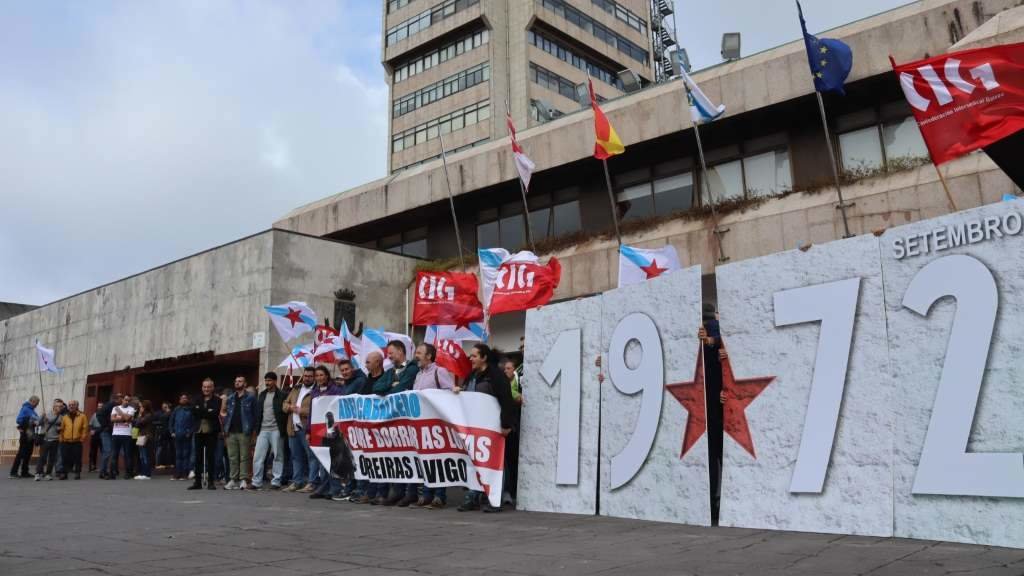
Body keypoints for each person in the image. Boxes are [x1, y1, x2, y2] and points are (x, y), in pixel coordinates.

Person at [456, 344, 517, 513]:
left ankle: (494, 499)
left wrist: (506, 425)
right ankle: (473, 497)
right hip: (475, 428)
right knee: (474, 462)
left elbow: (506, 401)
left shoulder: (496, 376)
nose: (471, 358)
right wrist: (458, 392)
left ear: (484, 358)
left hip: (493, 427)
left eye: (474, 356)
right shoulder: (471, 376)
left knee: (496, 464)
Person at [402, 342, 456, 508]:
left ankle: (439, 496)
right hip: (420, 425)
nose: (416, 355)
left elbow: (449, 393)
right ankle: (426, 495)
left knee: (437, 460)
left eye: (419, 352)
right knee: (423, 460)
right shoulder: (418, 375)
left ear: (429, 356)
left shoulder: (439, 372)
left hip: (436, 424)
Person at [699, 303, 726, 524]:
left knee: (714, 454)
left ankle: (715, 501)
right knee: (716, 454)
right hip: (712, 403)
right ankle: (715, 501)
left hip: (711, 405)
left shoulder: (713, 331)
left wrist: (712, 341)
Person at [354, 351, 390, 504]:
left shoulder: (386, 379)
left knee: (381, 462)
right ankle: (368, 492)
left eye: (368, 362)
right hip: (367, 431)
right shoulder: (365, 382)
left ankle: (382, 493)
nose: (366, 365)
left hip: (381, 429)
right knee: (369, 462)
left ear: (378, 363)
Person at [309, 365, 343, 500]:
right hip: (319, 429)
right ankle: (324, 486)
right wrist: (308, 431)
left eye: (321, 375)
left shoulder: (336, 390)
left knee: (333, 460)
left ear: (327, 376)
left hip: (333, 429)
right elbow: (312, 412)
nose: (319, 378)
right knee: (323, 459)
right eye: (317, 376)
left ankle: (335, 488)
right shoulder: (315, 392)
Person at [250, 371, 287, 491]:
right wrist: (256, 430)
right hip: (263, 429)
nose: (267, 382)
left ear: (275, 381)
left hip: (277, 429)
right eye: (266, 380)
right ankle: (256, 482)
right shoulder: (261, 395)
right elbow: (258, 414)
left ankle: (276, 481)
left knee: (278, 456)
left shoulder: (282, 395)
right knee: (257, 457)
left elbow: (284, 414)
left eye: (270, 380)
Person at [282, 367, 315, 493]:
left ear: (314, 377)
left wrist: (302, 411)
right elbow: (284, 404)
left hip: (306, 429)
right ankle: (297, 482)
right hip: (292, 428)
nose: (307, 378)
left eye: (310, 376)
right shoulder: (296, 389)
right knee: (296, 457)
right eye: (305, 376)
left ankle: (311, 483)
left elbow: (317, 409)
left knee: (311, 457)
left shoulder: (315, 391)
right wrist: (290, 407)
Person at [222, 376, 256, 490]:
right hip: (231, 431)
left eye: (240, 381)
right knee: (232, 457)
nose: (237, 383)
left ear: (245, 384)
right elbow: (226, 414)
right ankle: (232, 479)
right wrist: (225, 429)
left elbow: (254, 415)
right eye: (236, 381)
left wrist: (254, 431)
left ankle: (243, 479)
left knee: (244, 456)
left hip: (244, 431)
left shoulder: (250, 398)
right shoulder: (231, 398)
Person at [188, 378, 221, 491]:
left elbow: (215, 413)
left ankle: (211, 482)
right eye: (204, 387)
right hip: (199, 431)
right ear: (202, 388)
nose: (206, 389)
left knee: (211, 457)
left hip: (211, 431)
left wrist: (201, 411)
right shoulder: (197, 399)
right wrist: (206, 411)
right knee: (197, 457)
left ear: (212, 388)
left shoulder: (217, 400)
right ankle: (197, 482)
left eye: (208, 387)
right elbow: (193, 411)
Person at [502, 358, 523, 506]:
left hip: (514, 430)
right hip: (504, 429)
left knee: (512, 461)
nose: (506, 371)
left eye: (509, 368)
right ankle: (506, 490)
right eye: (504, 368)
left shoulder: (519, 385)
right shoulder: (501, 386)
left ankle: (512, 490)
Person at [10, 395, 40, 479]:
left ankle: (24, 471)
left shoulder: (32, 410)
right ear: (32, 401)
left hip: (31, 435)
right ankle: (13, 472)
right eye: (36, 403)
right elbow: (18, 419)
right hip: (25, 434)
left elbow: (37, 419)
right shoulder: (25, 409)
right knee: (21, 454)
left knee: (28, 454)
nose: (37, 405)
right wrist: (31, 419)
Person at [35, 399, 64, 481]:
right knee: (42, 457)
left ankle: (48, 473)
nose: (60, 408)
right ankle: (38, 473)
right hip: (46, 439)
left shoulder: (62, 417)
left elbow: (61, 427)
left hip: (55, 440)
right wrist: (42, 417)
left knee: (52, 458)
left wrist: (58, 427)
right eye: (59, 406)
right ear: (54, 407)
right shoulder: (47, 415)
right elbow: (38, 424)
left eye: (61, 406)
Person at [59, 400, 88, 480]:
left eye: (73, 405)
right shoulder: (65, 417)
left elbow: (85, 428)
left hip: (77, 441)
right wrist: (61, 439)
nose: (71, 406)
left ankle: (77, 473)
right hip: (66, 441)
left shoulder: (82, 416)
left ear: (77, 406)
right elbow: (62, 429)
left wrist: (82, 438)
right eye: (70, 405)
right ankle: (64, 474)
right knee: (64, 458)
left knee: (77, 458)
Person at [109, 394, 136, 480]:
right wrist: (124, 418)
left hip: (127, 434)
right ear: (122, 400)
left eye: (128, 400)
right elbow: (112, 419)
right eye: (125, 399)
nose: (127, 401)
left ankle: (128, 473)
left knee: (127, 455)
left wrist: (119, 414)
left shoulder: (131, 409)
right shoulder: (114, 408)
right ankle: (112, 473)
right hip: (116, 434)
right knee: (114, 454)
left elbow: (128, 418)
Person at [169, 394, 193, 480]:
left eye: (185, 398)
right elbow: (171, 421)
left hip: (186, 435)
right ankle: (178, 473)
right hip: (177, 435)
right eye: (182, 398)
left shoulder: (191, 410)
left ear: (187, 400)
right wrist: (172, 432)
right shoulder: (176, 409)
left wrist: (189, 432)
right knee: (178, 455)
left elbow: (193, 423)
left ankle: (184, 473)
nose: (183, 399)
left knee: (185, 455)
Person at [96, 393, 119, 479]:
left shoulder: (110, 406)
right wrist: (106, 425)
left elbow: (99, 414)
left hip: (109, 431)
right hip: (108, 431)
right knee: (108, 451)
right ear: (115, 399)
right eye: (120, 398)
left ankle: (108, 471)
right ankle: (104, 471)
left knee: (110, 451)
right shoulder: (111, 406)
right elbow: (99, 415)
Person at [134, 400, 155, 480]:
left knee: (145, 455)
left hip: (146, 436)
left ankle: (147, 474)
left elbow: (138, 423)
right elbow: (136, 424)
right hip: (141, 435)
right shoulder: (144, 415)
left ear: (145, 407)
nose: (140, 408)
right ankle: (143, 473)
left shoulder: (148, 415)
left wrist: (139, 416)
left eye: (141, 407)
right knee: (142, 456)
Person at [154, 402, 173, 469]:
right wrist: (167, 413)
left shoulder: (171, 413)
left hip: (168, 433)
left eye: (166, 407)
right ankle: (157, 464)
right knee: (159, 448)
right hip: (161, 432)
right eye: (164, 407)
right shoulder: (159, 413)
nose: (165, 408)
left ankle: (168, 463)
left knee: (169, 449)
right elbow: (161, 419)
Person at [87, 408, 102, 473]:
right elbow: (90, 424)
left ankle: (103, 467)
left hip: (103, 433)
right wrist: (91, 430)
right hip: (95, 433)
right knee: (93, 451)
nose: (100, 408)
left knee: (104, 451)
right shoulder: (94, 415)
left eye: (101, 406)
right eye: (98, 406)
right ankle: (92, 466)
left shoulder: (106, 414)